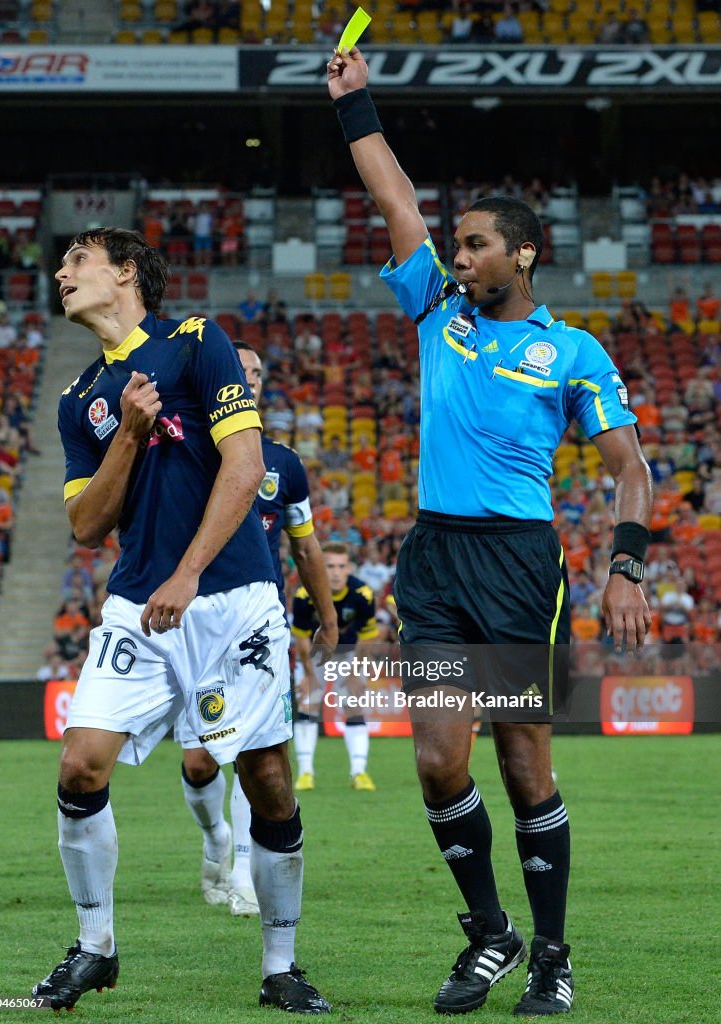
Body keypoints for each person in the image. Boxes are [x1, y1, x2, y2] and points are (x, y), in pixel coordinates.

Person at [327, 49, 652, 1017]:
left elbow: (628, 466)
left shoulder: (572, 351)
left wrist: (625, 564)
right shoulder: (435, 311)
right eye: (454, 244)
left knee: (521, 763)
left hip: (515, 562)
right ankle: (490, 935)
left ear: (521, 254)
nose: (455, 256)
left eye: (473, 246)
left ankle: (550, 954)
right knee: (434, 760)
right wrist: (354, 107)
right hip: (432, 557)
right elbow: (396, 204)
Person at [32, 228, 330, 1015]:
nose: (61, 273)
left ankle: (280, 966)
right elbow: (88, 526)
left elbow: (245, 465)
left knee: (267, 781)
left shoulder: (197, 341)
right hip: (137, 602)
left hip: (230, 595)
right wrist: (127, 434)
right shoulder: (78, 402)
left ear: (125, 273)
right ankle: (95, 948)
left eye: (78, 261)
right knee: (79, 765)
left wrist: (190, 571)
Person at [174, 341, 337, 917]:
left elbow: (306, 545)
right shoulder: (187, 451)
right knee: (198, 763)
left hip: (257, 622)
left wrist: (327, 613)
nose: (250, 379)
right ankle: (215, 834)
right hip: (191, 618)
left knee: (254, 754)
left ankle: (244, 868)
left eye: (258, 373)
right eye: (239, 371)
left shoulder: (283, 463)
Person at [291, 541, 379, 791]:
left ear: (349, 567)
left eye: (341, 566)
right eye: (330, 566)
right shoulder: (305, 594)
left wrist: (355, 673)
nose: (336, 572)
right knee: (308, 705)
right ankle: (306, 773)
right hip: (315, 654)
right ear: (321, 567)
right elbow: (301, 637)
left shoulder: (363, 595)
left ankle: (359, 772)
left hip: (348, 654)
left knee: (354, 708)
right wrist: (309, 675)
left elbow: (367, 636)